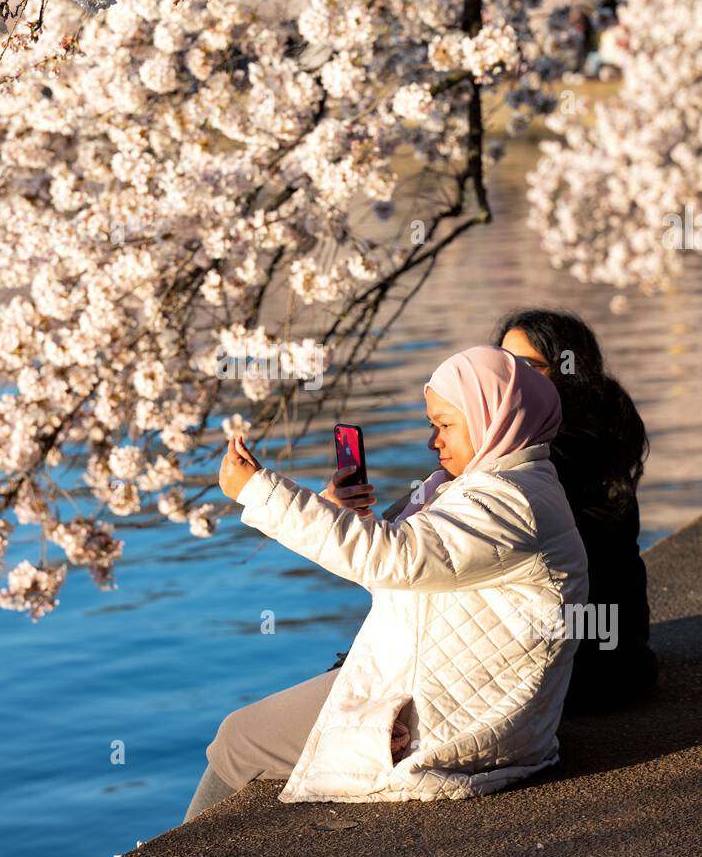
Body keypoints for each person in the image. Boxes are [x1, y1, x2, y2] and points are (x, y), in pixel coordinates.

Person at [181, 345, 588, 823]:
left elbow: (394, 558)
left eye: (445, 424)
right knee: (253, 732)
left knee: (237, 739)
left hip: (455, 719)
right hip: (459, 689)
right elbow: (410, 576)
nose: (433, 441)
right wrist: (343, 513)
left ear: (490, 416)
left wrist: (259, 492)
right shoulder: (498, 486)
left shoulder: (506, 503)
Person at [494, 308, 659, 716]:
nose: (511, 378)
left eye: (530, 366)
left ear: (567, 371)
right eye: (504, 364)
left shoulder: (552, 455)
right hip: (619, 651)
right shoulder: (599, 427)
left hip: (580, 669)